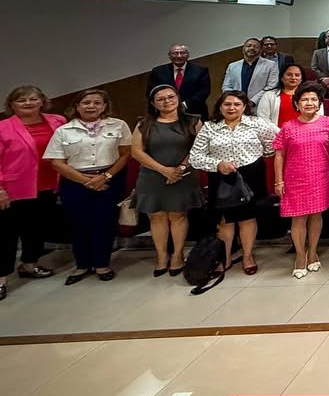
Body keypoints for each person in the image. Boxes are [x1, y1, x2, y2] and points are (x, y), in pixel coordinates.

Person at [44, 89, 132, 284]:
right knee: (78, 224)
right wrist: (85, 180)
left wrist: (105, 176)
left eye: (97, 103)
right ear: (77, 106)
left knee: (105, 223)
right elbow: (56, 162)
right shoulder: (64, 130)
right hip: (74, 182)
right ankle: (82, 264)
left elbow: (126, 154)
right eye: (86, 102)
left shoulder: (118, 125)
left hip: (109, 179)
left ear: (104, 106)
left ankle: (102, 264)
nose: (91, 106)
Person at [190, 91, 278, 276]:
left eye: (237, 104)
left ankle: (247, 256)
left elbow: (273, 144)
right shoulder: (209, 127)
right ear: (220, 107)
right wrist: (217, 164)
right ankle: (225, 258)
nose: (232, 108)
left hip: (250, 176)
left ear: (245, 106)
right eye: (227, 104)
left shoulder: (256, 123)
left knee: (248, 218)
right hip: (221, 177)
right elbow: (195, 157)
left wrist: (257, 158)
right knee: (225, 220)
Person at [131, 85, 203, 277]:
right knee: (156, 217)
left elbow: (199, 148)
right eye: (161, 99)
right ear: (153, 103)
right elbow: (136, 151)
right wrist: (164, 170)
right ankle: (161, 257)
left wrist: (180, 168)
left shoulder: (193, 121)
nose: (167, 101)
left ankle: (177, 255)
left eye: (171, 97)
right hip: (152, 176)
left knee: (178, 215)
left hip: (183, 175)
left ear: (178, 99)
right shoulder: (144, 123)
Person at [0, 86, 65, 300]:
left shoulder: (58, 121)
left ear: (42, 101)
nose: (28, 103)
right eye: (21, 100)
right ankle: (1, 277)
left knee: (36, 228)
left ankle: (29, 264)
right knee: (6, 235)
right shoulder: (2, 127)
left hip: (48, 185)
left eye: (33, 99)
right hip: (12, 189)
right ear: (11, 105)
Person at [271, 82, 329, 277]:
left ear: (319, 103)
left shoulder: (328, 123)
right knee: (298, 218)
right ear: (297, 104)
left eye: (313, 99)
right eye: (304, 99)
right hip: (295, 179)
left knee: (316, 215)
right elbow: (279, 155)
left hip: (320, 177)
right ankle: (300, 256)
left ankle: (313, 252)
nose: (309, 103)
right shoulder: (288, 126)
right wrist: (279, 181)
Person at [148, 44, 211, 119]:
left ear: (188, 55)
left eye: (182, 53)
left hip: (194, 112)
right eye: (175, 53)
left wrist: (184, 105)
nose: (179, 56)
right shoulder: (158, 72)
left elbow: (204, 92)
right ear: (169, 55)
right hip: (166, 113)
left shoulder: (200, 70)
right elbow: (151, 93)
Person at [257, 64, 323, 127]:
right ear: (281, 77)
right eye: (289, 75)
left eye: (297, 75)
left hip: (306, 133)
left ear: (301, 79)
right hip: (276, 133)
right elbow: (263, 118)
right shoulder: (269, 95)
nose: (293, 78)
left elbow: (318, 116)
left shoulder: (313, 96)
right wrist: (282, 132)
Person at [222, 38, 279, 107]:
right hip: (236, 106)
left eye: (256, 46)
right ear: (243, 49)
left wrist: (253, 101)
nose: (252, 48)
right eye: (249, 46)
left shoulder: (271, 65)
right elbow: (227, 86)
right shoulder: (232, 66)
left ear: (261, 50)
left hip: (260, 105)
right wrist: (236, 100)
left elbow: (271, 86)